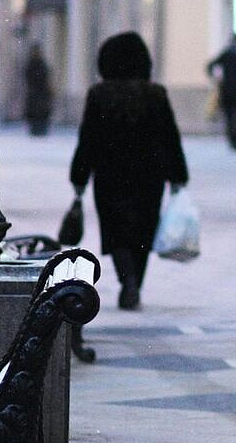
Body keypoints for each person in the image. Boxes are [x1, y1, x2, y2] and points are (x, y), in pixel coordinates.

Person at [71, 32, 188, 311]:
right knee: (144, 230)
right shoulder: (156, 94)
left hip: (110, 174)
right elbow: (170, 136)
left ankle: (128, 281)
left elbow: (88, 138)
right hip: (150, 175)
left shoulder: (99, 94)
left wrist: (79, 177)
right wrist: (177, 174)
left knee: (115, 231)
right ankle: (135, 283)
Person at [205, 36, 236, 151]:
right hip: (229, 92)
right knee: (232, 118)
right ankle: (235, 141)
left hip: (233, 91)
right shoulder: (229, 55)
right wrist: (217, 78)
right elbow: (211, 66)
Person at [22, 45, 55, 136]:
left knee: (41, 112)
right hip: (35, 93)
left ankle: (41, 129)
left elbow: (45, 77)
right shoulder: (31, 65)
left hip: (40, 93)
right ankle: (35, 129)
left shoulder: (41, 64)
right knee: (35, 112)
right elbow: (28, 77)